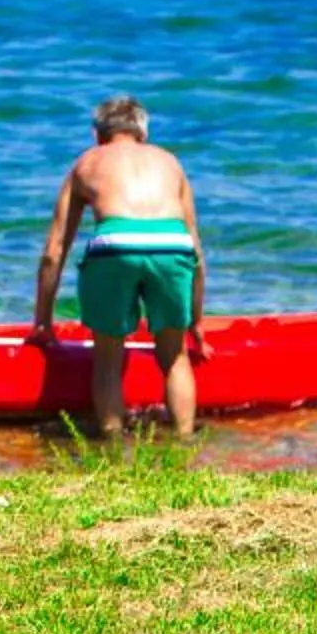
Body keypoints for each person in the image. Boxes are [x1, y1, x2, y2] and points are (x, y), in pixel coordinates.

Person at [32, 95, 206, 440]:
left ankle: (112, 445)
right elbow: (196, 251)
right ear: (143, 133)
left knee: (108, 357)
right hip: (172, 244)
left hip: (114, 245)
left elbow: (54, 251)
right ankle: (185, 440)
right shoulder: (170, 163)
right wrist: (196, 322)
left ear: (98, 134)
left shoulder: (88, 162)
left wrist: (43, 321)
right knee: (174, 355)